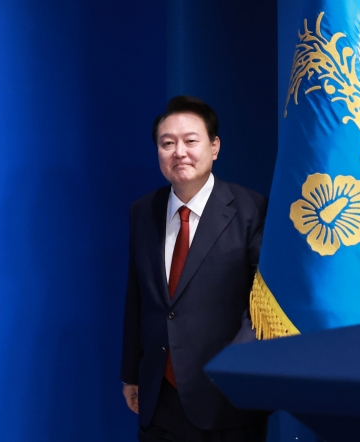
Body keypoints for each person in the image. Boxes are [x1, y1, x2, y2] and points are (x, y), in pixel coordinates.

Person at [120, 96, 268, 441]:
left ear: (214, 147)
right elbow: (136, 295)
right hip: (159, 394)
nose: (179, 152)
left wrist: (238, 370)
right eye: (167, 143)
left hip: (226, 396)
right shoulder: (144, 211)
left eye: (190, 141)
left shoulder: (252, 209)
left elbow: (264, 302)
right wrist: (131, 373)